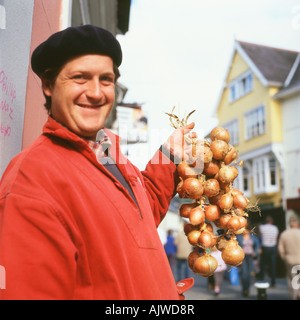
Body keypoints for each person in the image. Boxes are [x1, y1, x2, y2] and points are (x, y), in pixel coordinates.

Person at [0, 25, 196, 300]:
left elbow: (134, 219)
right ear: (48, 85)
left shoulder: (109, 153)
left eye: (106, 79)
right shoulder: (32, 179)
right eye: (80, 78)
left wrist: (169, 156)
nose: (95, 93)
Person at [278, 217, 300, 300]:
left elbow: (280, 249)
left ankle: (294, 296)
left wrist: (284, 258)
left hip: (290, 260)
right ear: (297, 223)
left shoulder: (284, 234)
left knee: (293, 279)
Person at [236, 225, 260, 297]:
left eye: (246, 229)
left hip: (250, 257)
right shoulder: (239, 237)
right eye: (243, 229)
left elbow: (257, 245)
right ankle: (244, 289)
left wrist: (255, 253)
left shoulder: (252, 237)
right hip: (243, 257)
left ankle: (248, 289)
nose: (245, 230)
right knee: (244, 273)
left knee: (250, 274)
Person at [258, 215, 279, 287]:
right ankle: (273, 282)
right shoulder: (275, 228)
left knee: (263, 265)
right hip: (273, 247)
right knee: (273, 265)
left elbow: (260, 237)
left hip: (265, 247)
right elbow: (276, 238)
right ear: (272, 221)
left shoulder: (262, 227)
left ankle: (262, 280)